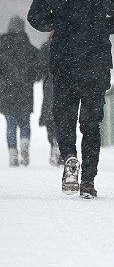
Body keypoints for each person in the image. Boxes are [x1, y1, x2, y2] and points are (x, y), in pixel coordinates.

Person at [28, 0, 114, 199]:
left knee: (64, 117)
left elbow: (35, 17)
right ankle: (87, 180)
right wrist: (101, 26)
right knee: (91, 124)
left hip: (64, 62)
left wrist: (59, 22)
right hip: (96, 63)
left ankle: (69, 156)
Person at [0, 16, 41, 167]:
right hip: (24, 89)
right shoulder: (28, 47)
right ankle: (24, 144)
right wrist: (33, 78)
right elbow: (39, 66)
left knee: (10, 123)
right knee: (24, 122)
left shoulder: (2, 45)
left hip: (6, 90)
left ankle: (12, 155)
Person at [39, 32, 62, 167]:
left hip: (50, 86)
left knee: (50, 118)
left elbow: (41, 68)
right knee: (62, 119)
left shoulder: (46, 47)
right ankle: (59, 144)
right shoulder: (67, 46)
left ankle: (54, 143)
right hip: (65, 87)